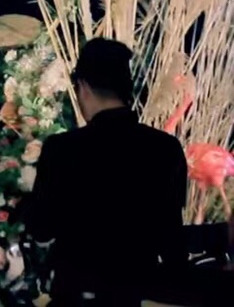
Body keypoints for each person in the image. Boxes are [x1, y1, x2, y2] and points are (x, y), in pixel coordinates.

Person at [25, 38, 188, 305]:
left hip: (74, 295)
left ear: (84, 87)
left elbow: (41, 228)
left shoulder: (62, 149)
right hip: (130, 296)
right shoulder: (165, 149)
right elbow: (171, 236)